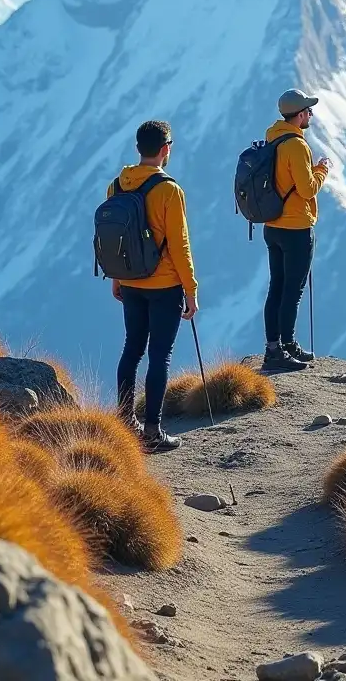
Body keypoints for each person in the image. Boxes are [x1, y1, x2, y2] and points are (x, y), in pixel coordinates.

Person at [109, 119, 198, 453]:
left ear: (138, 148)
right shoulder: (169, 191)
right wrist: (190, 289)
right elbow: (180, 245)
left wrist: (117, 277)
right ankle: (152, 431)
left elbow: (115, 239)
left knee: (132, 349)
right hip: (164, 286)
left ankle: (124, 421)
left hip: (130, 280)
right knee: (159, 355)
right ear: (165, 150)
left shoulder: (117, 186)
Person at [262, 89, 331, 372]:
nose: (310, 115)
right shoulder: (297, 145)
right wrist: (322, 170)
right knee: (293, 289)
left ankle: (274, 347)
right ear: (300, 115)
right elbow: (307, 188)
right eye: (308, 111)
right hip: (296, 227)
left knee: (276, 287)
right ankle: (287, 346)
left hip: (272, 225)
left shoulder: (272, 138)